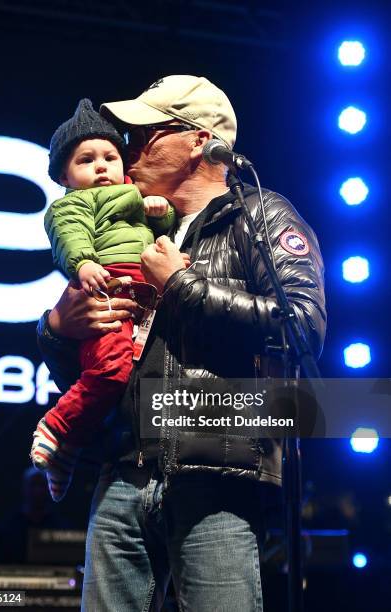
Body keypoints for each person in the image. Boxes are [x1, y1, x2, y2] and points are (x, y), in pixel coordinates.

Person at [37, 75, 326, 611]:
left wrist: (181, 285)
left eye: (149, 131)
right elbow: (95, 367)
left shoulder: (260, 217)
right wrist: (58, 330)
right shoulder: (130, 229)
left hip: (214, 481)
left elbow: (301, 329)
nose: (133, 145)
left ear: (198, 141)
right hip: (122, 471)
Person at [30, 98, 177, 502]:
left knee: (125, 378)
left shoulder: (135, 196)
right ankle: (58, 426)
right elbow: (70, 236)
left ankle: (70, 448)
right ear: (64, 175)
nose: (101, 167)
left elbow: (159, 229)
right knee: (110, 373)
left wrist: (160, 212)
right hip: (106, 289)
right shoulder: (71, 204)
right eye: (86, 159)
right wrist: (83, 265)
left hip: (144, 297)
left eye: (110, 157)